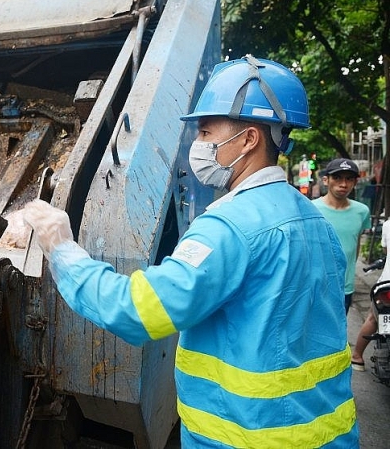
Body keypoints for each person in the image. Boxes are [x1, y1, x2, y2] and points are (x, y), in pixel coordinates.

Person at [24, 55, 358, 447]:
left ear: (249, 139)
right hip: (329, 435)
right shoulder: (315, 221)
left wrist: (62, 249)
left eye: (204, 132)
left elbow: (136, 310)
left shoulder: (230, 228)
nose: (197, 146)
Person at [312, 158, 371, 315]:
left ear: (355, 182)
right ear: (326, 180)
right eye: (337, 177)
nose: (343, 184)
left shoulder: (362, 211)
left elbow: (355, 244)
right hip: (315, 286)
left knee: (339, 333)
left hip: (345, 287)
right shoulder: (311, 209)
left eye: (349, 179)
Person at [351, 219, 390, 370]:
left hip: (387, 284)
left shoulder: (387, 224)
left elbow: (386, 251)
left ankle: (357, 357)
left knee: (373, 319)